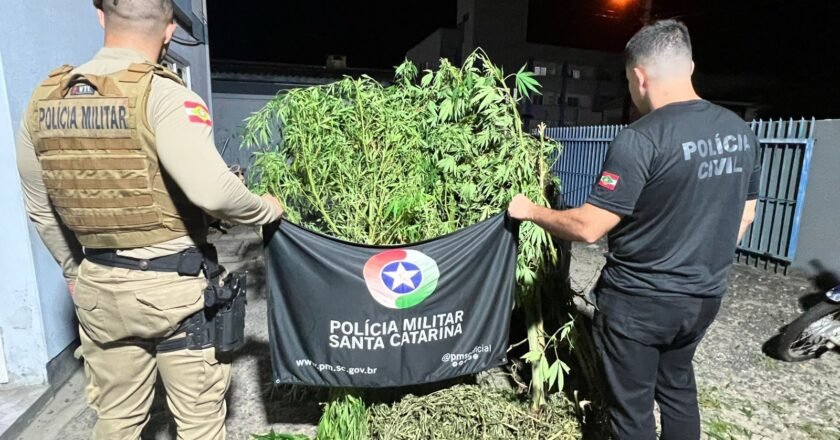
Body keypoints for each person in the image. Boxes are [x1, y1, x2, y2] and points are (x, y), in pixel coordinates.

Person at [15, 1, 283, 438]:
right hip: (175, 292)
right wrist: (266, 209)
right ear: (170, 30)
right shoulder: (166, 95)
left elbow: (40, 207)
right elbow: (214, 192)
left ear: (101, 16)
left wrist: (74, 272)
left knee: (117, 420)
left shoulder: (45, 100)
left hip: (99, 287)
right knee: (199, 423)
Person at [508, 19, 760, 440]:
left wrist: (531, 211)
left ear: (640, 77)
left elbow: (590, 226)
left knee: (631, 412)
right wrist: (700, 259)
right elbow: (746, 214)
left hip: (639, 304)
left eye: (627, 81)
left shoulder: (642, 138)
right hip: (703, 298)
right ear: (689, 67)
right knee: (678, 391)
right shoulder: (739, 131)